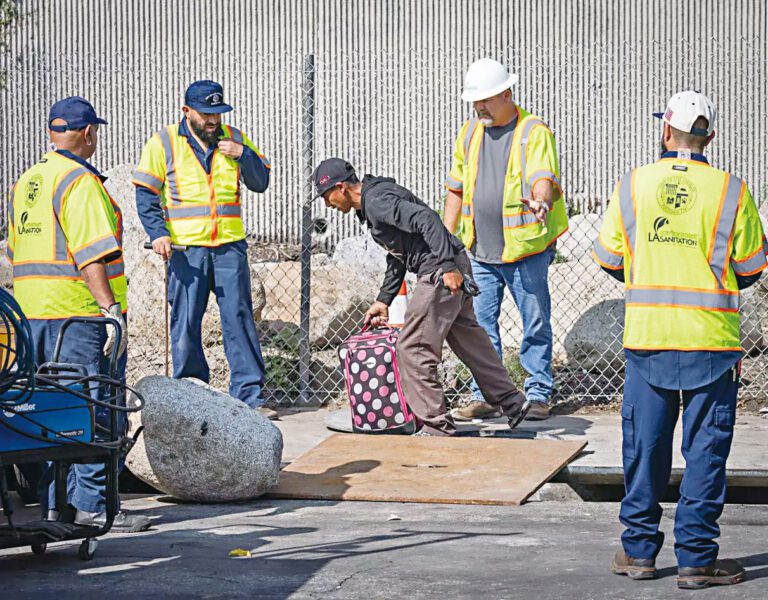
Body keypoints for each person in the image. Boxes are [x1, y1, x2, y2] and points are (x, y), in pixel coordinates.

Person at [594, 91, 765, 590]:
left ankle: (639, 552)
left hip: (649, 339)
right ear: (709, 137)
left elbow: (608, 257)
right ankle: (695, 559)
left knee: (645, 449)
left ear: (665, 132)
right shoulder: (732, 190)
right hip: (711, 343)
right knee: (705, 452)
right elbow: (751, 268)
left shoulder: (634, 184)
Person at [6, 97, 150, 532]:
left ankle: (55, 507)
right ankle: (95, 508)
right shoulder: (79, 182)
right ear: (88, 133)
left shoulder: (28, 181)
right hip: (78, 317)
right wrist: (110, 310)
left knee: (47, 414)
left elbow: (15, 250)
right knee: (91, 410)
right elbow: (92, 256)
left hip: (31, 319)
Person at [313, 158, 529, 436]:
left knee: (412, 348)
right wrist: (384, 300)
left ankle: (435, 427)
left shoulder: (377, 202)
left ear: (340, 188)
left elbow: (427, 219)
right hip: (448, 265)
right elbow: (399, 252)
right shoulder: (374, 199)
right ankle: (512, 402)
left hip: (440, 270)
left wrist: (448, 267)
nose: (327, 205)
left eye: (326, 196)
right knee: (468, 339)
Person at [132, 81, 277, 419]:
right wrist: (157, 233)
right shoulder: (163, 142)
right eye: (206, 114)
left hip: (229, 248)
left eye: (217, 113)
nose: (213, 121)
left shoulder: (235, 138)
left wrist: (244, 156)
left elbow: (261, 182)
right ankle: (191, 393)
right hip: (185, 250)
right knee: (186, 320)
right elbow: (145, 193)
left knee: (239, 319)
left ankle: (249, 397)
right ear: (187, 111)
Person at [443, 58, 568, 422]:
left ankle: (539, 393)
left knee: (535, 322)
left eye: (485, 100)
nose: (479, 106)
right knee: (480, 327)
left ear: (507, 94)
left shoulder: (533, 131)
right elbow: (455, 189)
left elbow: (543, 176)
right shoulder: (469, 133)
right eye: (475, 101)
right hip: (480, 251)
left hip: (525, 249)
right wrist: (448, 243)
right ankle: (487, 394)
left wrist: (542, 200)